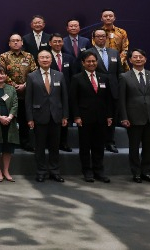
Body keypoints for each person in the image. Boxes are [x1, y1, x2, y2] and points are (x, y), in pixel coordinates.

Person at [119, 49, 150, 184]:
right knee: (134, 147)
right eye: (135, 57)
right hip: (133, 117)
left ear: (145, 59)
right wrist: (124, 117)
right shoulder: (124, 76)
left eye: (141, 57)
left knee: (149, 147)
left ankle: (146, 172)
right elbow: (121, 100)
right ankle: (136, 173)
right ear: (130, 60)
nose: (138, 59)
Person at [70, 51, 113, 183]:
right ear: (83, 63)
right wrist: (76, 116)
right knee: (85, 146)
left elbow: (109, 99)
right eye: (88, 61)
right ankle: (87, 171)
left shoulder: (104, 78)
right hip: (84, 118)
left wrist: (109, 116)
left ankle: (99, 171)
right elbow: (73, 99)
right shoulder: (77, 78)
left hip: (101, 118)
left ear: (97, 62)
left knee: (99, 146)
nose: (91, 63)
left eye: (93, 61)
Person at [26, 50, 69, 183]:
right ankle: (41, 172)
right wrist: (30, 118)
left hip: (56, 116)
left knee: (54, 146)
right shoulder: (32, 76)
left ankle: (54, 171)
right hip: (39, 116)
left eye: (47, 57)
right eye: (42, 57)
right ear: (38, 60)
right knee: (39, 147)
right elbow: (28, 99)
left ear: (51, 60)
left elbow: (64, 97)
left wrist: (65, 116)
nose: (45, 59)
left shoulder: (59, 75)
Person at [0, 34, 37, 152]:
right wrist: (14, 86)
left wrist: (24, 85)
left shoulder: (29, 56)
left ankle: (25, 142)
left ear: (22, 42)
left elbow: (34, 72)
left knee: (25, 119)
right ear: (9, 43)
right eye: (13, 41)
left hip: (26, 93)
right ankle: (9, 142)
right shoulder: (4, 56)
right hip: (8, 93)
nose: (15, 43)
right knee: (9, 118)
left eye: (18, 40)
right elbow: (0, 72)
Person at [88, 28, 123, 154]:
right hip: (96, 89)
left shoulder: (114, 53)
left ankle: (110, 141)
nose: (101, 38)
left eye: (103, 36)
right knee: (97, 118)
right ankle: (99, 142)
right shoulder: (89, 53)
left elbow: (120, 72)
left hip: (113, 90)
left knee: (111, 117)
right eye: (98, 36)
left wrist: (119, 87)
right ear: (93, 38)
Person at [49, 33, 76, 152]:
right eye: (55, 41)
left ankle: (63, 142)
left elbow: (73, 76)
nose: (57, 43)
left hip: (66, 93)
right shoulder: (45, 57)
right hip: (50, 93)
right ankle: (50, 143)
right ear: (50, 43)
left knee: (65, 119)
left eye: (60, 41)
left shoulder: (68, 57)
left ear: (63, 43)